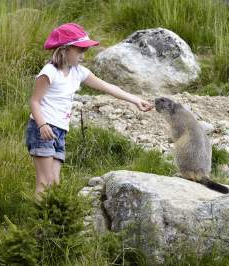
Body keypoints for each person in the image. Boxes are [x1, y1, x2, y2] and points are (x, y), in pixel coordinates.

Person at [26, 23, 153, 198]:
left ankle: (54, 222)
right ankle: (40, 224)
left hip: (59, 131)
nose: (83, 56)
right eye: (79, 51)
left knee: (55, 182)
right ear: (65, 49)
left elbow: (107, 87)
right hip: (43, 129)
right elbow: (34, 101)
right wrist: (42, 125)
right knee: (44, 182)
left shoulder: (78, 72)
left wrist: (135, 100)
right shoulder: (49, 72)